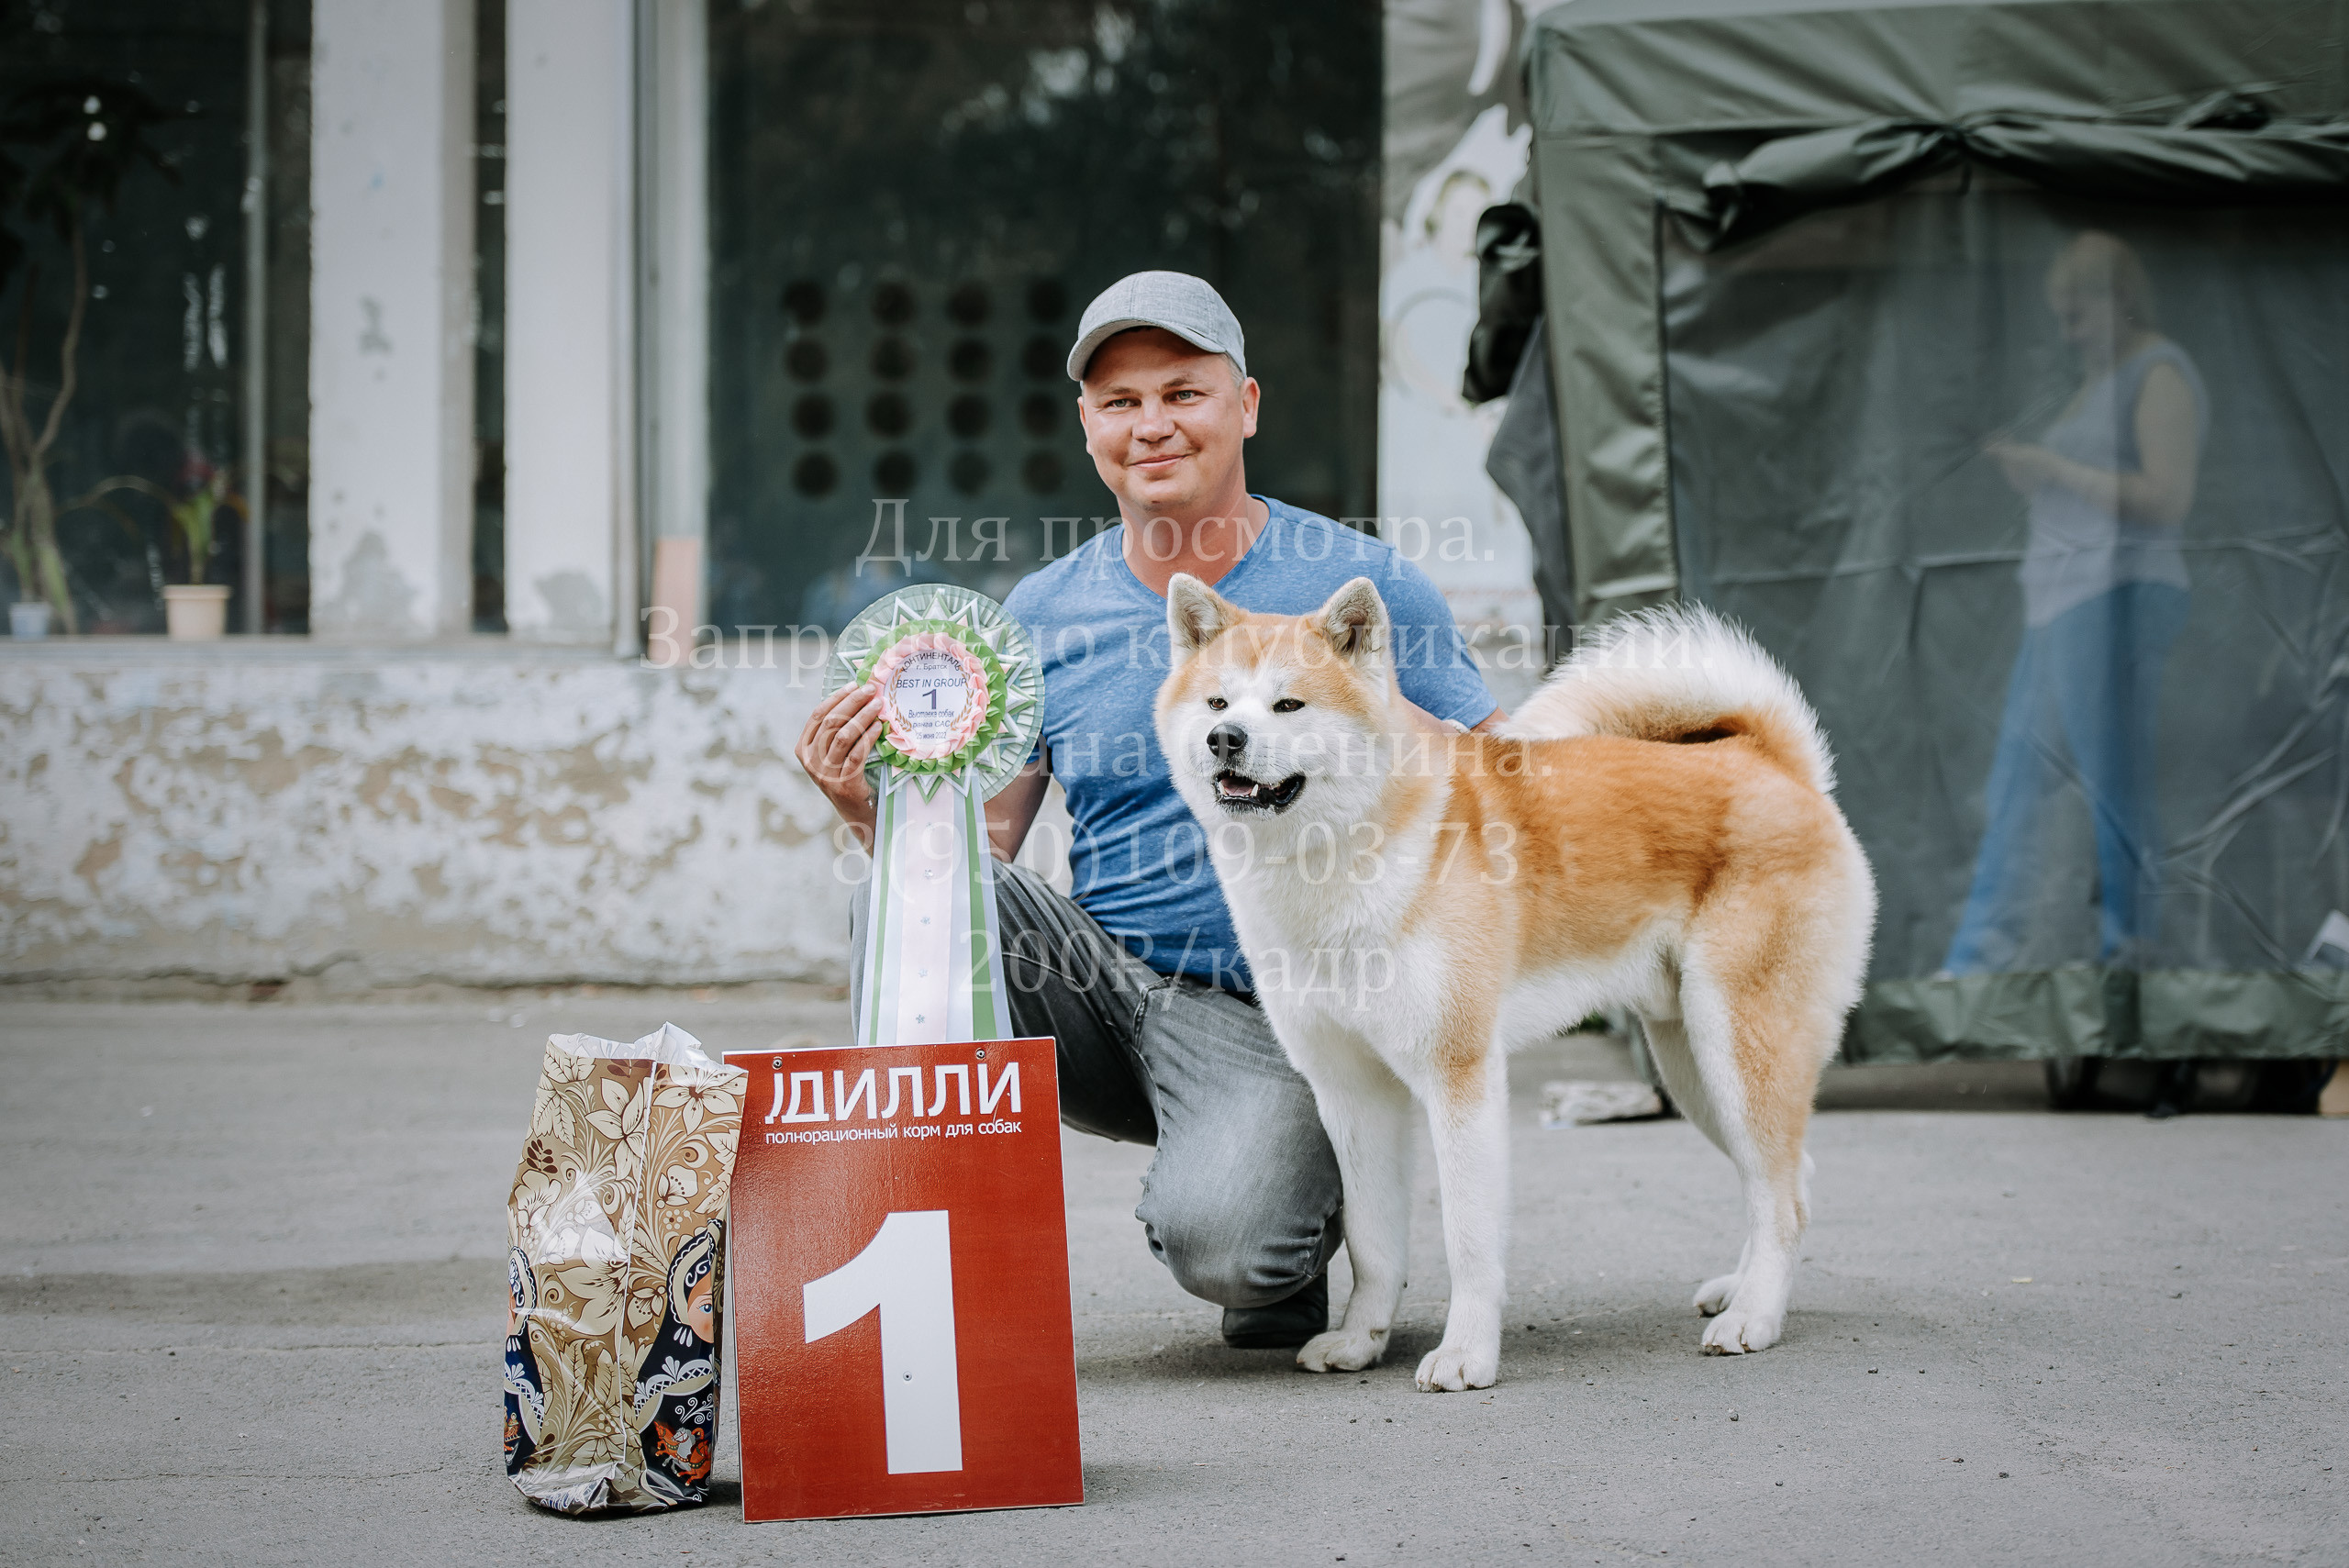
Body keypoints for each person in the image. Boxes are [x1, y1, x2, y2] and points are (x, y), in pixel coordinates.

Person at [796, 272, 1502, 1348]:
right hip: (1100, 986)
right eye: (1120, 402)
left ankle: (1279, 1210)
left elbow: (1503, 789)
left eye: (1184, 391)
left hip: (1279, 1004)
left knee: (1231, 1247)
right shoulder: (1040, 610)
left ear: (1248, 405)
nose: (1152, 425)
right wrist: (869, 815)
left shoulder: (1358, 588)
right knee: (899, 893)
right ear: (1087, 425)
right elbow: (982, 848)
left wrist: (1373, 708)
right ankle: (919, 1250)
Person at [1945, 231, 2206, 974]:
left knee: (2113, 786)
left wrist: (2051, 468)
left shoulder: (2160, 373)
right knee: (2014, 783)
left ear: (2119, 300)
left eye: (2078, 315)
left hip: (2117, 600)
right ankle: (1971, 964)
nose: (2067, 333)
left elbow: (2169, 496)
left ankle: (2128, 953)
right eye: (2057, 317)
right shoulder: (2099, 378)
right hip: (2057, 607)